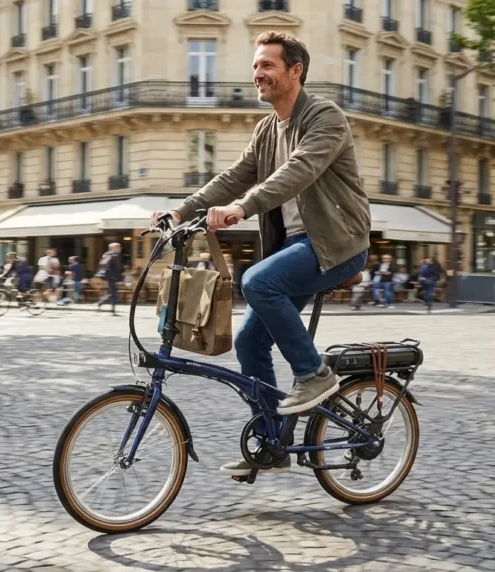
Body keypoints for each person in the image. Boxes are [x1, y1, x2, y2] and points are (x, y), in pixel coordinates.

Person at [152, 31, 371, 477]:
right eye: (255, 66)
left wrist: (242, 208)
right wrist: (179, 211)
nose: (258, 74)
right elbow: (233, 176)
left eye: (267, 65)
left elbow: (299, 171)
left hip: (338, 243)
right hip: (297, 248)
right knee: (250, 341)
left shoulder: (324, 116)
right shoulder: (266, 129)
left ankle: (315, 374)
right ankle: (273, 442)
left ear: (296, 71)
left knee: (257, 281)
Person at [96, 243, 123, 315]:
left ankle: (103, 304)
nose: (120, 248)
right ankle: (110, 308)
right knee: (113, 294)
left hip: (107, 277)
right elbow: (117, 268)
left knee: (112, 293)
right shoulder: (115, 256)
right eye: (118, 247)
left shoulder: (105, 255)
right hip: (112, 277)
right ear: (113, 248)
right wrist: (119, 277)